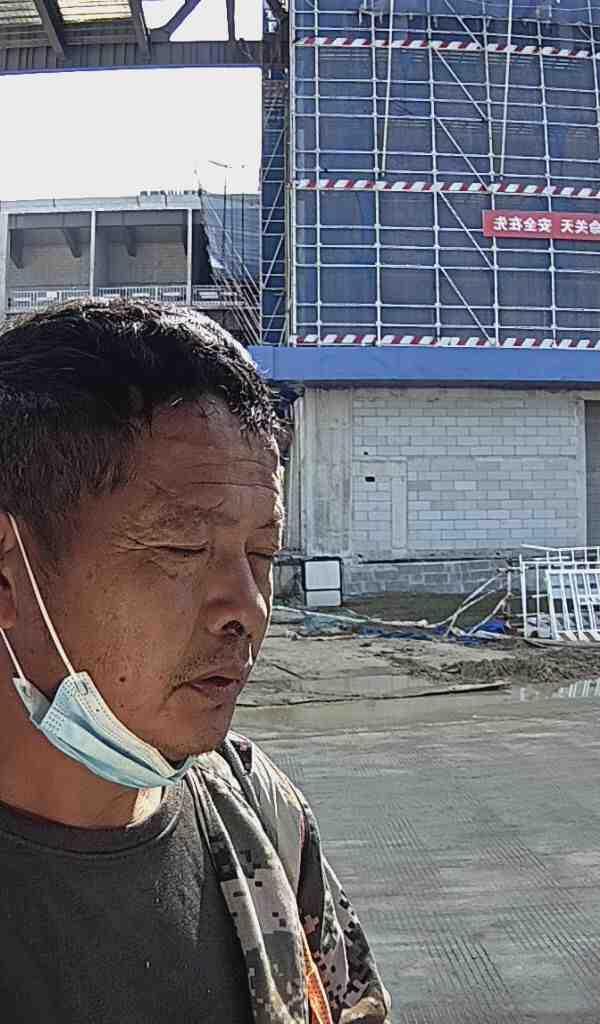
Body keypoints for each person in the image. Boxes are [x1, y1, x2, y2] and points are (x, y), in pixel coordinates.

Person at [0, 300, 390, 1024]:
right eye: (182, 548)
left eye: (262, 554)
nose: (247, 608)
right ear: (6, 572)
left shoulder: (257, 808)